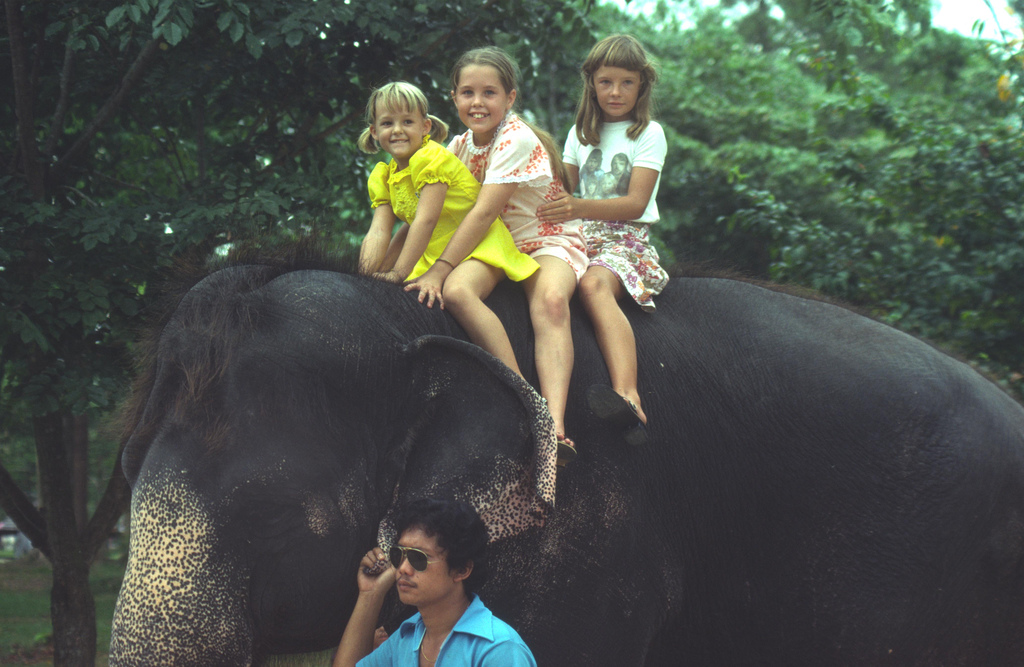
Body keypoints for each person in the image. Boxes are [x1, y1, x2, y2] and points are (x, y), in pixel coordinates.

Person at [404, 47, 588, 467]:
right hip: (498, 243)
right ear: (453, 97)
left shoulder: (516, 138)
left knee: (552, 302)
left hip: (545, 239)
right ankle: (522, 394)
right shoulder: (458, 145)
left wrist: (440, 266)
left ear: (510, 98)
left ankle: (554, 421)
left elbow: (484, 210)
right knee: (457, 293)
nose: (477, 102)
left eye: (489, 93)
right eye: (467, 92)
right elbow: (429, 211)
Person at [537, 35, 670, 446]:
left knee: (593, 285)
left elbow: (634, 203)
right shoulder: (580, 133)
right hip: (580, 234)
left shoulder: (649, 133)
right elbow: (565, 193)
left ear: (641, 86)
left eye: (626, 83)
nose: (615, 92)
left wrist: (575, 207)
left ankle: (627, 393)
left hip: (625, 237)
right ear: (591, 83)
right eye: (606, 82)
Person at [357, 82, 539, 378]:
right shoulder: (384, 174)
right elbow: (379, 231)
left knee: (458, 293)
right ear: (375, 132)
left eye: (407, 122)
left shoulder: (432, 159)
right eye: (388, 123)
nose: (398, 130)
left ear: (425, 126)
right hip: (433, 251)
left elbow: (425, 220)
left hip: (478, 246)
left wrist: (397, 273)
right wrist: (364, 277)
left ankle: (518, 383)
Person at [332, 498, 537, 667]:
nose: (402, 568)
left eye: (418, 558)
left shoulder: (498, 650)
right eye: (398, 554)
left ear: (462, 570)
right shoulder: (408, 637)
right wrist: (371, 594)